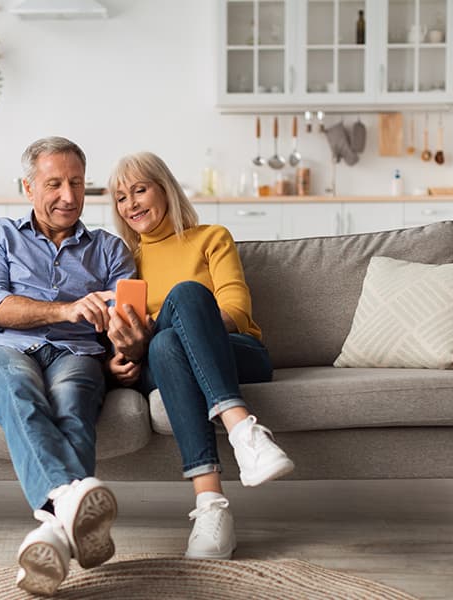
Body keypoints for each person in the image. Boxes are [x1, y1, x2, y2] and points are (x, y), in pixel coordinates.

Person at [0, 136, 135, 596]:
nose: (68, 196)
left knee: (73, 403)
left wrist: (125, 349)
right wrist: (66, 310)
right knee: (21, 393)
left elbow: (125, 319)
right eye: (54, 183)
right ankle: (66, 499)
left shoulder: (110, 250)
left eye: (77, 183)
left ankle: (52, 536)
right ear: (28, 187)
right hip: (5, 348)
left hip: (77, 354)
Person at [105, 151, 294, 561]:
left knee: (185, 301)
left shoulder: (212, 237)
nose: (131, 204)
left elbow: (238, 314)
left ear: (165, 189)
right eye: (121, 197)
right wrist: (115, 359)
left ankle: (216, 500)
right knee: (164, 344)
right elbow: (121, 332)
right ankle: (241, 446)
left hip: (237, 353)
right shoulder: (125, 261)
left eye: (140, 190)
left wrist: (173, 322)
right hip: (158, 364)